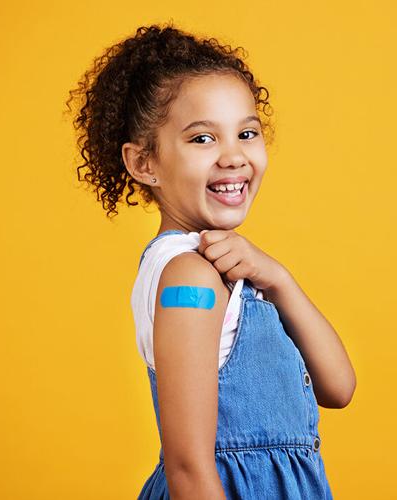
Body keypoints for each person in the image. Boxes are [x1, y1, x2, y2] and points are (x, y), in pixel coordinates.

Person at [65, 21, 356, 499]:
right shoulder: (189, 276)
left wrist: (279, 279)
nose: (233, 157)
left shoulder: (234, 269)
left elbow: (339, 387)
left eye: (246, 133)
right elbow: (187, 468)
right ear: (145, 164)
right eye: (202, 139)